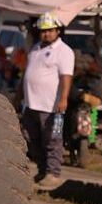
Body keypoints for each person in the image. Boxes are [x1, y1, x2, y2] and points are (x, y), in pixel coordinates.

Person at [21, 12, 75, 190]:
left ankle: (53, 173)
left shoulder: (64, 51)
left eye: (50, 30)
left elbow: (66, 76)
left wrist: (63, 98)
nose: (46, 34)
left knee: (53, 139)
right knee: (31, 139)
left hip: (52, 106)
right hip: (31, 105)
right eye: (43, 31)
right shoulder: (36, 48)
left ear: (57, 31)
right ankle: (42, 170)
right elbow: (27, 74)